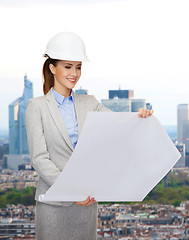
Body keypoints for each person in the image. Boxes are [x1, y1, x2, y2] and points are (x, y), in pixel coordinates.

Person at [25, 32, 153, 240]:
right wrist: (70, 191)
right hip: (54, 204)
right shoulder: (36, 107)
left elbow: (118, 125)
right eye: (68, 66)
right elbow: (40, 158)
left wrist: (140, 117)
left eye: (78, 67)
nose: (74, 73)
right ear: (52, 68)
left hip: (86, 203)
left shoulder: (90, 102)